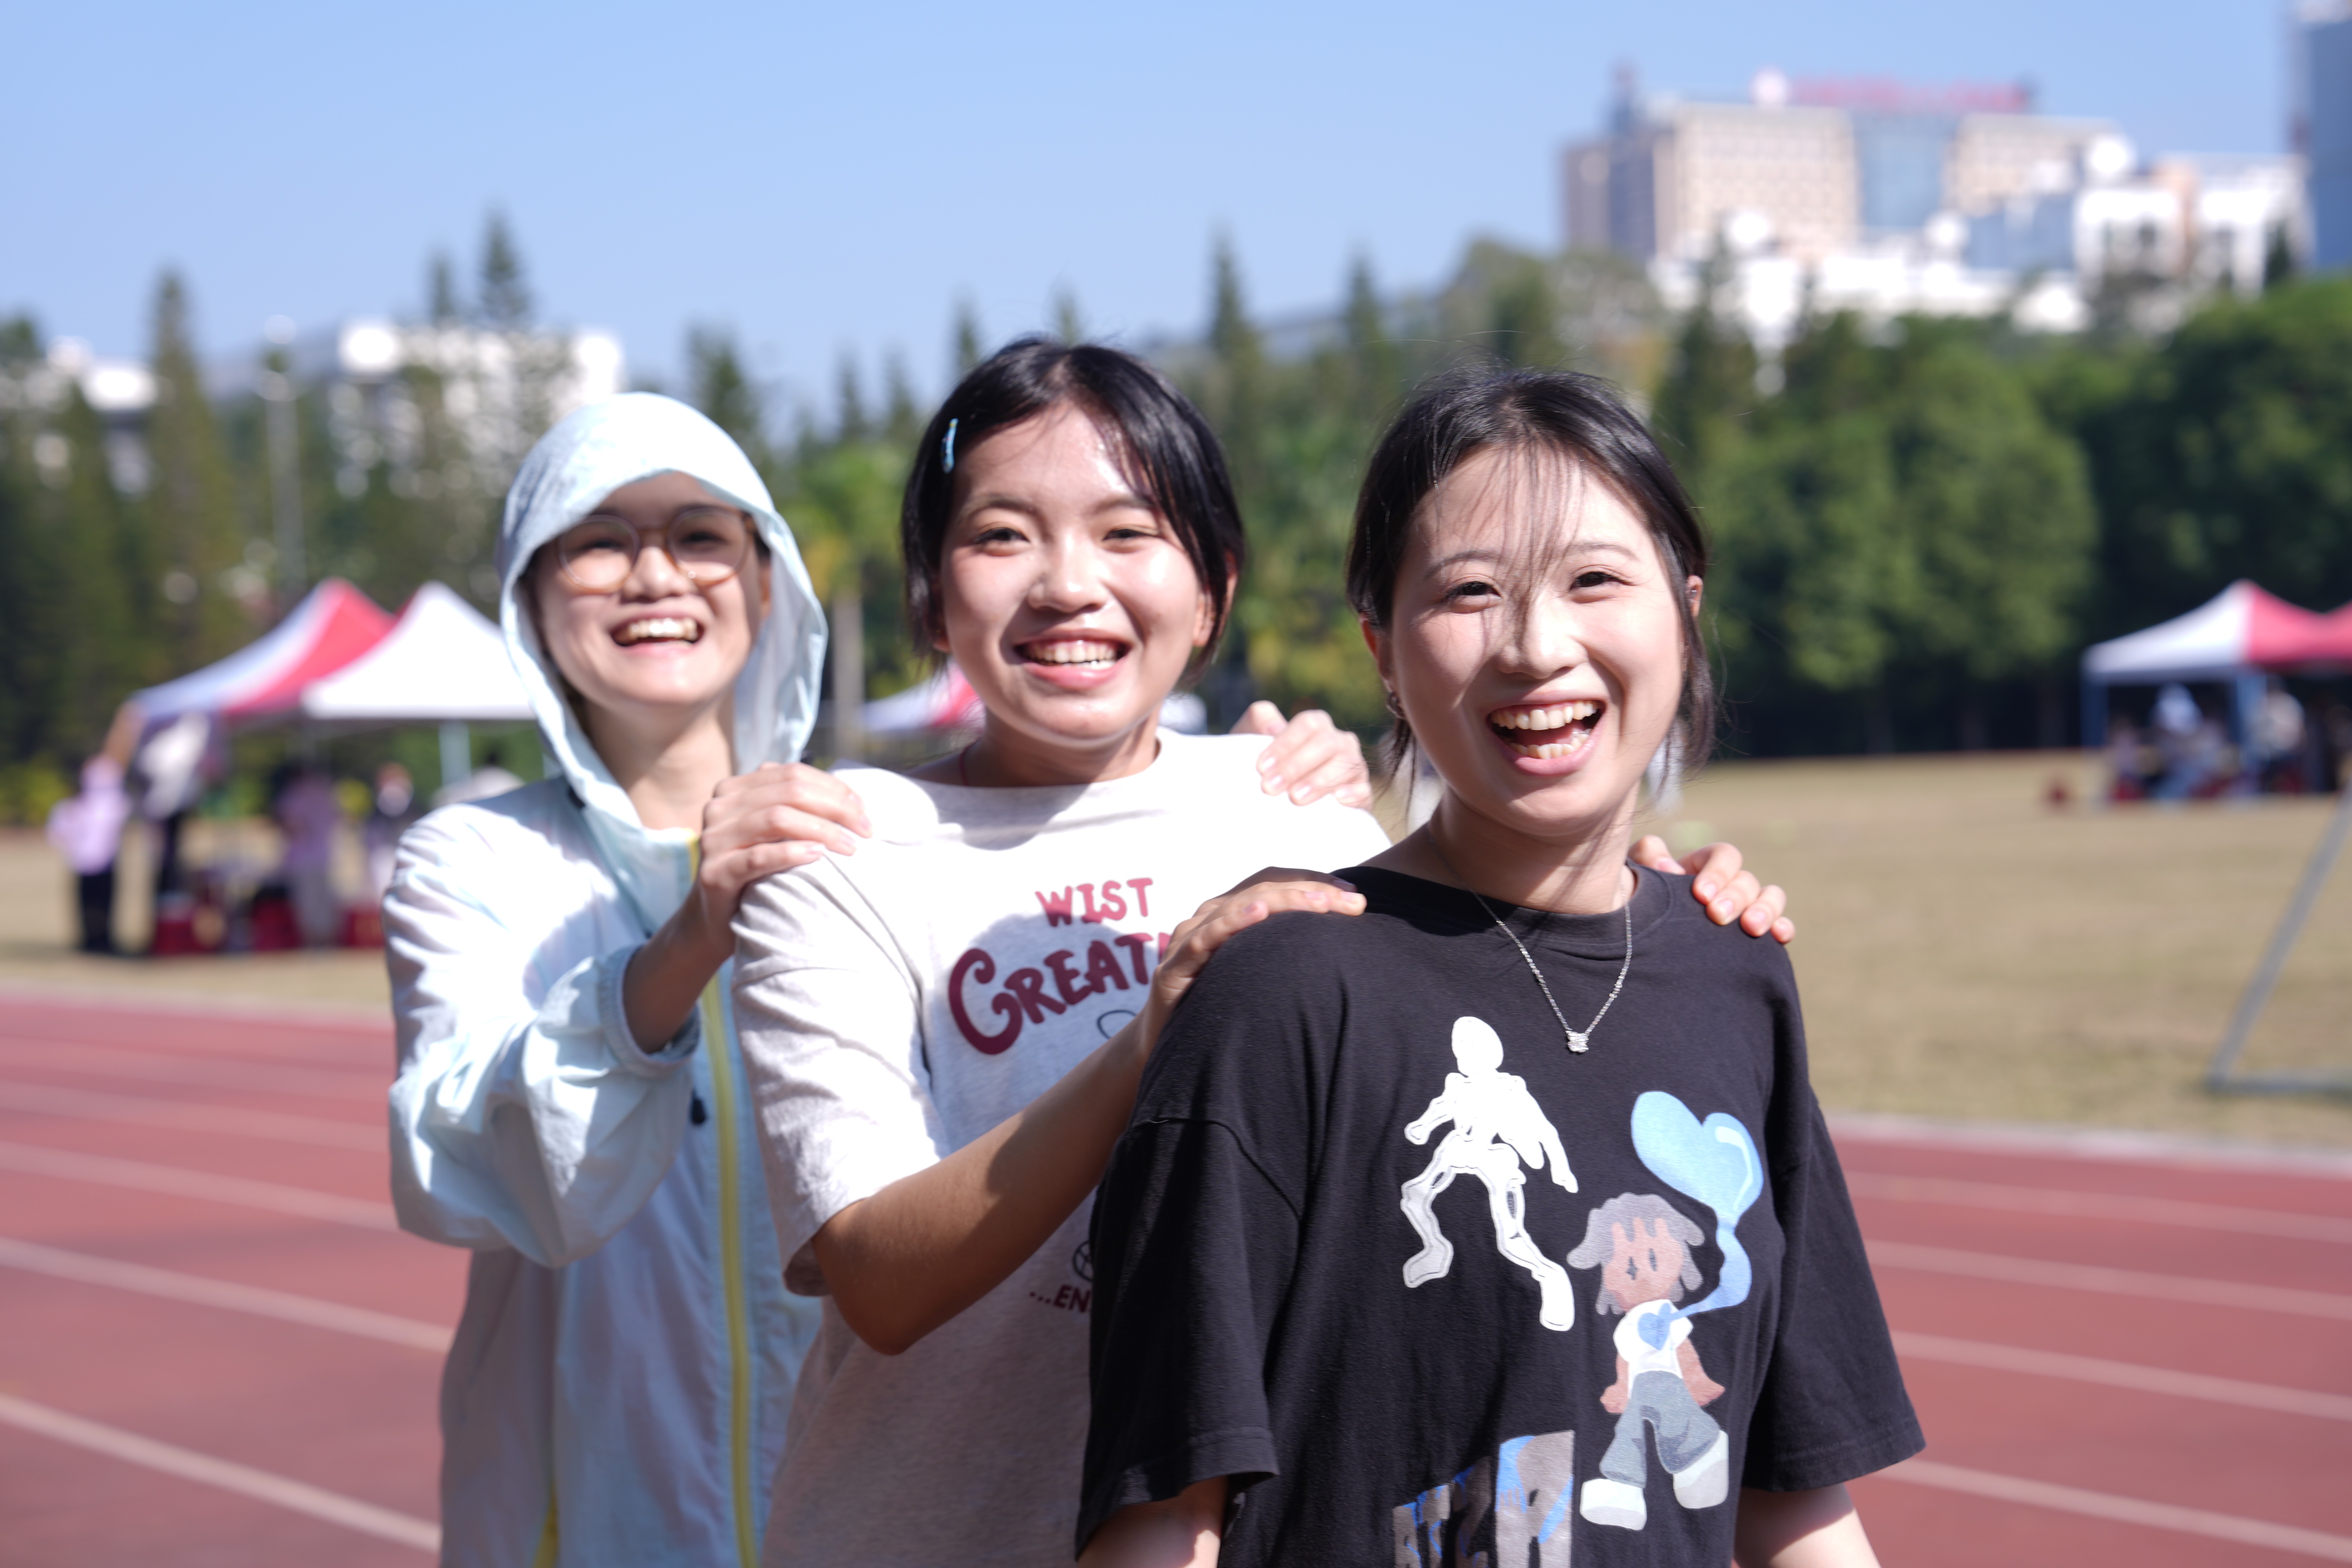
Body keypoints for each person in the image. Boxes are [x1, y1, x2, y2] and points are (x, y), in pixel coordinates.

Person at [728, 341, 1792, 1567]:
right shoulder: (842, 850)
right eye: (1002, 535)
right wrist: (1149, 1040)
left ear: (1213, 590)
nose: (1068, 583)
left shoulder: (1297, 810)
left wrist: (1643, 903)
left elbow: (1482, 965)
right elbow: (877, 1280)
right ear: (929, 592)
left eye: (1129, 533)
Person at [381, 391, 1369, 1568]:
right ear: (528, 596)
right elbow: (486, 1173)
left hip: (901, 1468)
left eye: (700, 537)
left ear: (766, 582)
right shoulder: (480, 860)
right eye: (598, 543)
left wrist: (1242, 797)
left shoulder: (845, 824)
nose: (654, 576)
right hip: (615, 1499)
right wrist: (688, 936)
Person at [1078, 369, 1918, 1568]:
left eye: (1594, 580)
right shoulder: (1282, 991)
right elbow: (1165, 1513)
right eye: (1470, 591)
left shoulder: (1735, 973)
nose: (1534, 646)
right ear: (1381, 647)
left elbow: (1790, 1496)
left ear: (1684, 611)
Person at [46, 756, 131, 954]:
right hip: (83, 863)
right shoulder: (74, 807)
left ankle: (104, 939)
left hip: (106, 863)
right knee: (88, 904)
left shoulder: (113, 805)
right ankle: (89, 940)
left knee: (104, 904)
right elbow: (58, 834)